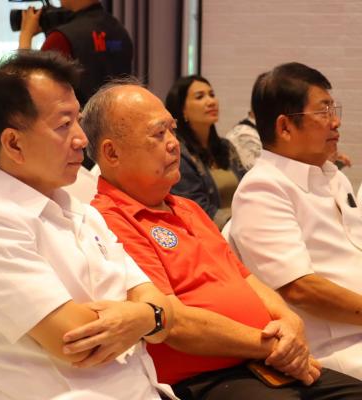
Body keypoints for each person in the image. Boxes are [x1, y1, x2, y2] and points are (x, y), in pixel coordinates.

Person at [66, 78, 362, 400]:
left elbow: (248, 279)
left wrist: (290, 323)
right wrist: (271, 344)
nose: (173, 143)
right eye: (158, 134)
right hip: (206, 379)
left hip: (266, 361)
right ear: (112, 153)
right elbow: (173, 321)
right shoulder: (108, 219)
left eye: (172, 130)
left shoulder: (187, 208)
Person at [0, 50, 176, 400]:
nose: (81, 139)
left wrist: (143, 316)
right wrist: (147, 317)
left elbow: (164, 310)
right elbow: (77, 341)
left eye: (78, 120)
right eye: (64, 125)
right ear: (14, 143)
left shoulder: (81, 211)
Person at [230, 62, 362, 380]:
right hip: (335, 351)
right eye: (323, 111)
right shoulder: (262, 188)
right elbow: (301, 289)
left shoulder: (333, 176)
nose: (336, 121)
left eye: (333, 109)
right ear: (285, 127)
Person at [19, 0, 133, 169]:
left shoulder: (61, 38)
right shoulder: (120, 33)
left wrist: (25, 36)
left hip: (76, 143)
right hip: (117, 137)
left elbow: (31, 87)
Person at [165, 75, 246, 228]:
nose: (211, 102)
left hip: (242, 225)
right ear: (183, 110)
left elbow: (247, 187)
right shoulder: (178, 153)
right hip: (214, 230)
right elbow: (196, 207)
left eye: (212, 94)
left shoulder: (226, 146)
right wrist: (239, 226)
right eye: (200, 97)